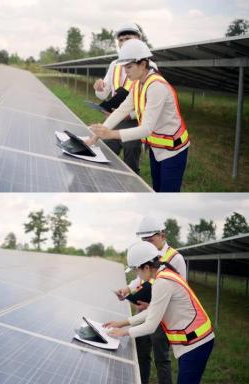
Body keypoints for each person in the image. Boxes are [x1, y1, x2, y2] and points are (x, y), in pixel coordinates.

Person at [87, 39, 190, 192]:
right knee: (156, 190)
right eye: (124, 67)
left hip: (173, 151)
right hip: (157, 148)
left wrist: (111, 134)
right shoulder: (138, 83)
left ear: (142, 64)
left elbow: (146, 129)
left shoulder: (156, 86)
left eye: (129, 67)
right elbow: (122, 110)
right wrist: (97, 135)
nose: (125, 71)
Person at [105, 241, 214, 384]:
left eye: (136, 270)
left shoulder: (162, 282)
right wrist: (122, 323)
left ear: (146, 267)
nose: (137, 275)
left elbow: (150, 325)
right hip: (192, 342)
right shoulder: (163, 275)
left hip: (196, 343)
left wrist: (124, 332)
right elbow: (152, 311)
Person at [113, 216, 186, 384]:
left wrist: (153, 306)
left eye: (151, 240)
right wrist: (128, 289)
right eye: (144, 240)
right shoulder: (147, 254)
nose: (147, 244)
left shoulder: (176, 258)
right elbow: (141, 277)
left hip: (162, 314)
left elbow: (180, 290)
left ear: (162, 235)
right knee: (141, 354)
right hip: (144, 310)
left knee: (161, 357)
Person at [92, 23, 155, 174]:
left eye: (128, 38)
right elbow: (104, 93)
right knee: (106, 152)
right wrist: (99, 88)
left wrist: (130, 114)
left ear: (139, 39)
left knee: (130, 160)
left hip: (134, 121)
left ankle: (131, 187)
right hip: (115, 118)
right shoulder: (114, 64)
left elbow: (149, 102)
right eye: (120, 40)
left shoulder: (149, 66)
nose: (123, 42)